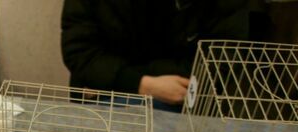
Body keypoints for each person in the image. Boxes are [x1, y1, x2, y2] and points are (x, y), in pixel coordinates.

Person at [61, 0, 269, 110]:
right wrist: (144, 84)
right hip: (107, 93)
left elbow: (221, 61)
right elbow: (80, 53)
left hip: (181, 96)